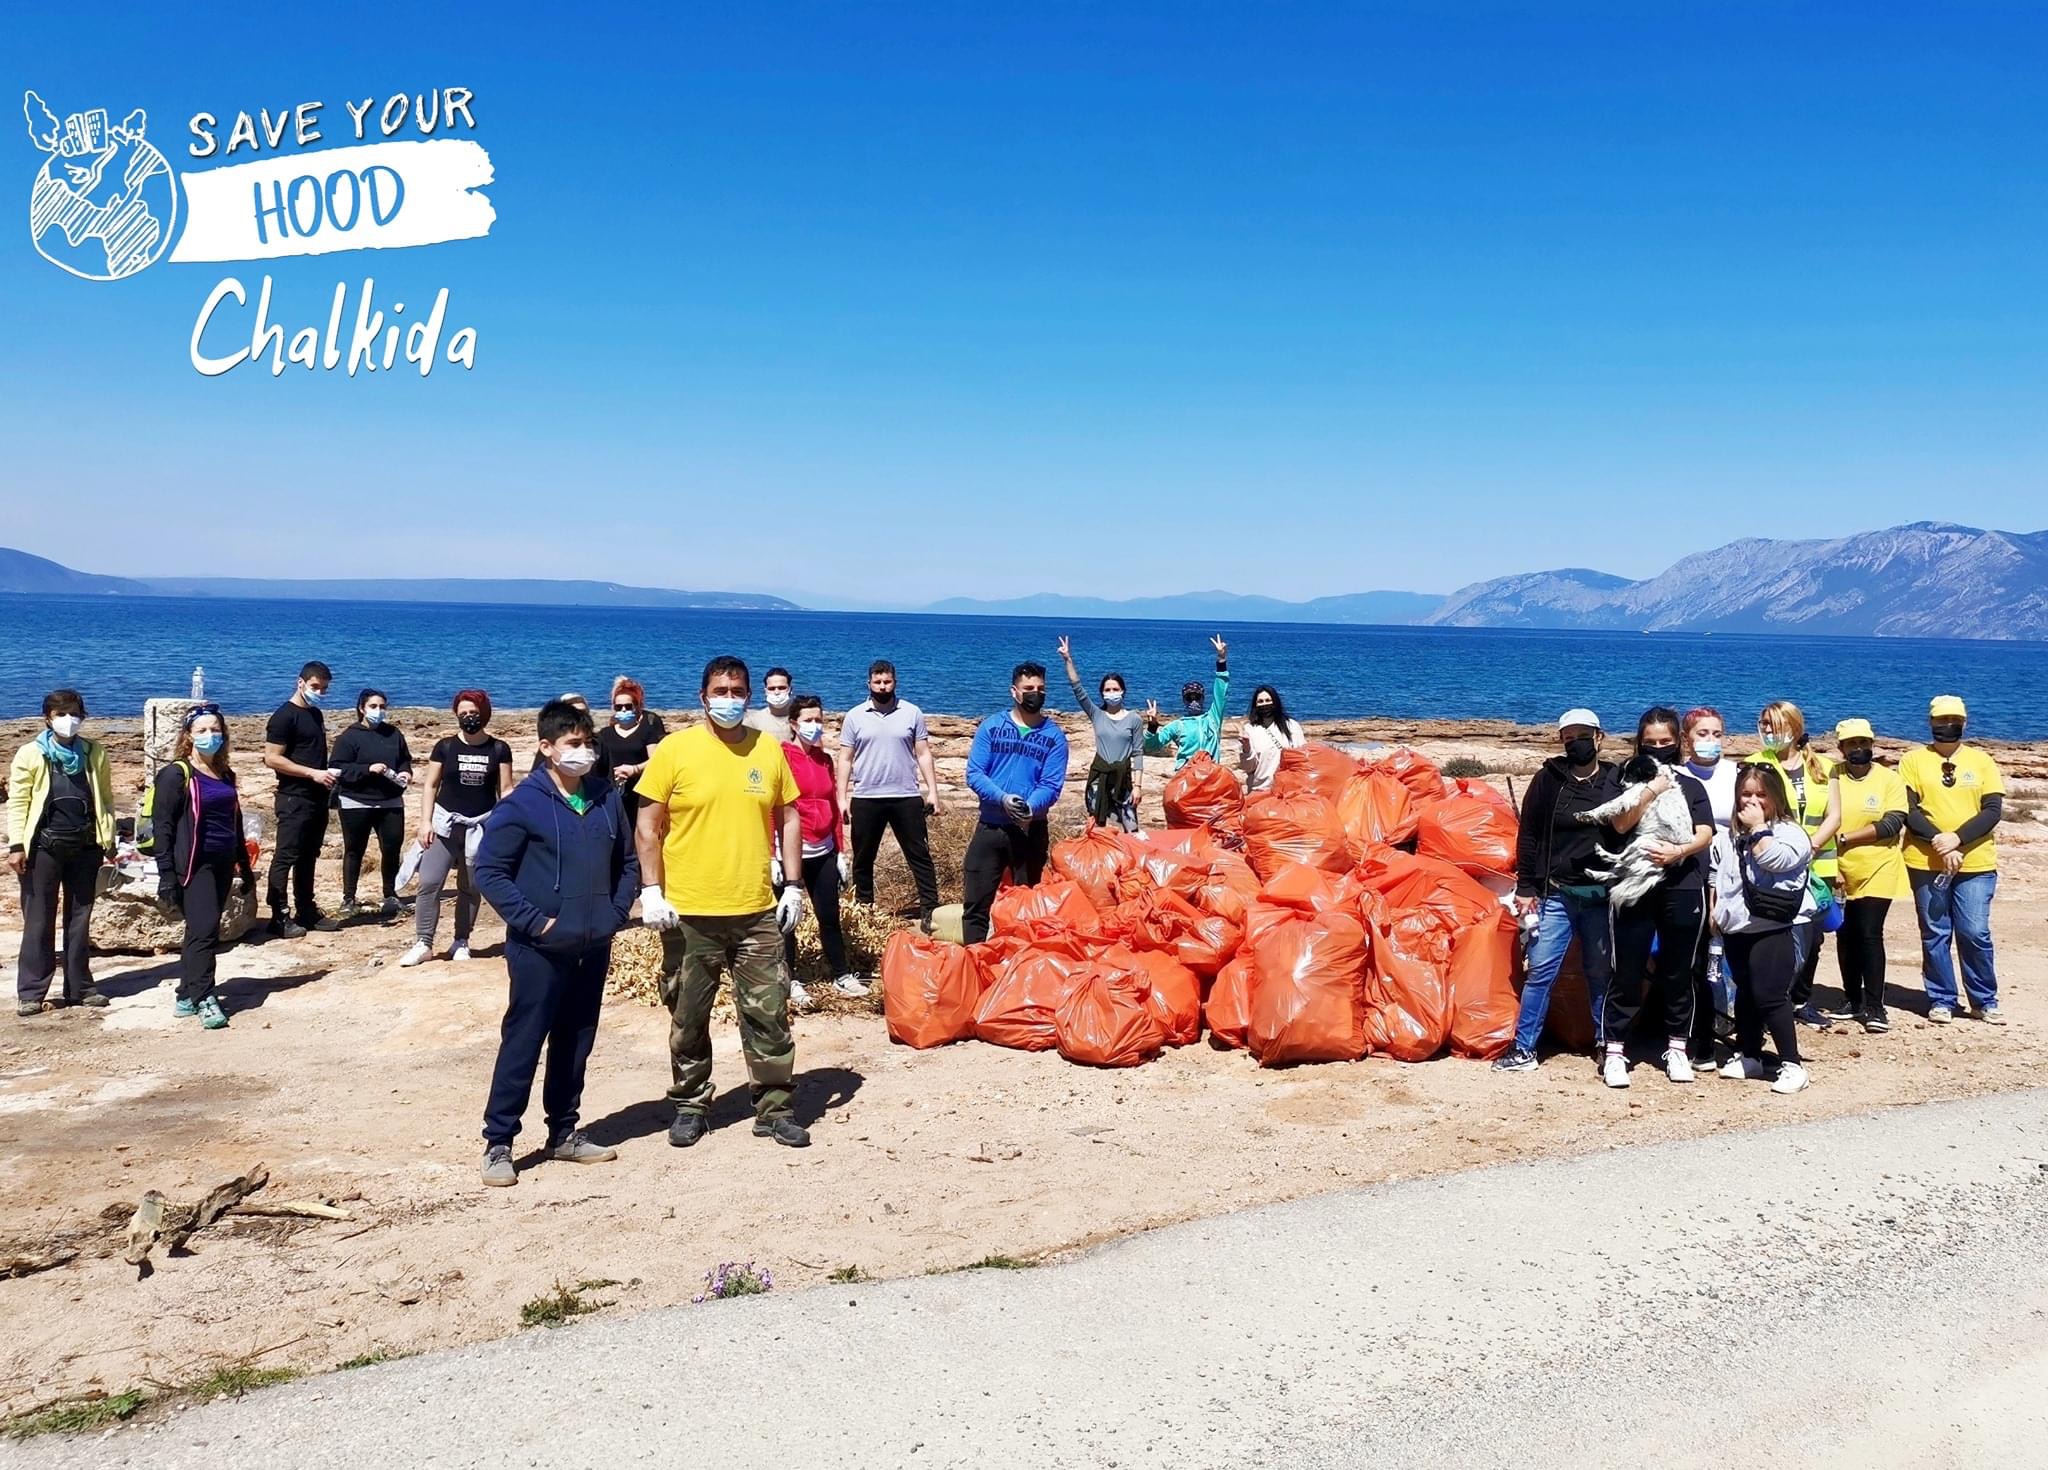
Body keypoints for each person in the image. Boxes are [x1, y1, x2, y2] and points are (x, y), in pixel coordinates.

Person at [636, 656, 810, 1149]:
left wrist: (793, 884)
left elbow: (789, 818)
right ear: (703, 696)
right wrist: (651, 890)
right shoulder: (675, 750)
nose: (728, 698)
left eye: (737, 690)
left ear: (748, 695)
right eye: (720, 689)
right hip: (689, 912)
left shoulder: (768, 750)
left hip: (755, 909)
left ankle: (774, 1108)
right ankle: (691, 1104)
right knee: (688, 1016)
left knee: (768, 1013)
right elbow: (648, 824)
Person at [472, 699, 639, 1187]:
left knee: (576, 1041)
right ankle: (499, 1142)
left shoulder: (606, 797)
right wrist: (534, 923)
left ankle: (563, 1133)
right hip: (539, 950)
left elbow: (627, 863)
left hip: (593, 943)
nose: (583, 752)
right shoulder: (522, 803)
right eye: (572, 744)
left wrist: (614, 914)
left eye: (588, 743)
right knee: (524, 1040)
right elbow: (489, 870)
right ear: (546, 748)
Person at [1493, 709, 1624, 1074]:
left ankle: (1606, 1045)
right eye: (1568, 738)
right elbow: (1530, 835)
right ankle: (1524, 1049)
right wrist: (1526, 886)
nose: (1575, 743)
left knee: (1600, 973)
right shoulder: (1549, 780)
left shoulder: (1616, 779)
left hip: (1602, 897)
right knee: (1540, 972)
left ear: (1599, 738)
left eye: (1582, 736)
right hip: (1556, 896)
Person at [1598, 708, 1715, 1087]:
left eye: (1666, 743)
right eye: (1651, 744)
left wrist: (1677, 853)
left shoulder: (1692, 783)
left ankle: (1677, 1047)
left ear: (1678, 743)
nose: (1659, 749)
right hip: (1634, 883)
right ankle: (1615, 1049)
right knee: (1627, 968)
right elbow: (1619, 823)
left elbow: (1705, 832)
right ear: (1639, 744)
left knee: (1678, 970)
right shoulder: (1622, 778)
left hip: (1682, 883)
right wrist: (1652, 788)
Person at [1710, 765, 1817, 1094]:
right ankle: (1749, 1053)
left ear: (1775, 797)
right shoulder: (1729, 834)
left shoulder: (1790, 833)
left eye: (1761, 795)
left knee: (1771, 997)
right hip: (1737, 926)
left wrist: (1758, 829)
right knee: (1745, 992)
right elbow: (1718, 874)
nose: (1753, 801)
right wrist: (1715, 913)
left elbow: (1776, 862)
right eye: (1746, 794)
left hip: (1772, 926)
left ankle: (1792, 1064)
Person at [151, 705, 258, 1031]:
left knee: (202, 930)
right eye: (202, 731)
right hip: (194, 864)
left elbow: (235, 821)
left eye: (215, 730)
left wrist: (244, 864)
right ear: (188, 737)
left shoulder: (225, 775)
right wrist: (167, 874)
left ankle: (185, 993)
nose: (210, 736)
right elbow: (163, 827)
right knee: (204, 930)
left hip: (224, 861)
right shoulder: (176, 774)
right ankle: (204, 997)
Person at [9, 689, 114, 1015]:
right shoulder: (30, 754)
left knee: (80, 919)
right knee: (39, 920)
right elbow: (19, 803)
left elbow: (105, 799)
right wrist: (16, 846)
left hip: (86, 846)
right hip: (43, 848)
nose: (69, 721)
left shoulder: (94, 753)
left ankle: (80, 987)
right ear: (48, 718)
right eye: (61, 714)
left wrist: (108, 840)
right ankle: (31, 991)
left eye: (74, 714)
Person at [1901, 695, 2004, 1025]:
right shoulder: (1913, 761)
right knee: (1935, 932)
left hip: (1975, 861)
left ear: (1964, 722)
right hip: (1926, 860)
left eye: (1953, 720)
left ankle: (1984, 999)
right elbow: (1909, 810)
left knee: (1974, 931)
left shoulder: (1982, 761)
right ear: (1930, 723)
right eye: (1941, 720)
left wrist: (1957, 839)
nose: (1947, 726)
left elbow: (1992, 810)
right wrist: (1940, 842)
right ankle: (1942, 997)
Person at [1744, 701, 1841, 1029]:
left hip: (1817, 867)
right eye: (1764, 724)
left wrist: (1809, 847)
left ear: (1794, 727)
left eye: (1775, 724)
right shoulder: (1755, 763)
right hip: (1772, 864)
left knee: (1812, 938)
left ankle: (1801, 998)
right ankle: (1769, 1002)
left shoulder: (1824, 767)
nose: (1768, 731)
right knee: (1774, 933)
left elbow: (1834, 815)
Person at [961, 662, 1071, 945]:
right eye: (1029, 689)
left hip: (1029, 831)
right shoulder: (992, 727)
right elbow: (975, 773)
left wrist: (1029, 808)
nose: (1036, 694)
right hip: (990, 827)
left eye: (1041, 689)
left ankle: (1020, 965)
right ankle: (975, 961)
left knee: (1027, 906)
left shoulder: (1054, 737)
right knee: (976, 903)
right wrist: (1002, 798)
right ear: (1014, 691)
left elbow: (1051, 784)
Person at [403, 690, 515, 968]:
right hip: (445, 824)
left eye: (473, 713)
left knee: (470, 886)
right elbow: (430, 785)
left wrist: (507, 825)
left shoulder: (499, 749)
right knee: (429, 881)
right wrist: (425, 822)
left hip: (480, 825)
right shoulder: (445, 746)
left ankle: (461, 940)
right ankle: (423, 942)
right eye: (463, 713)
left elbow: (506, 790)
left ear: (484, 713)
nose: (468, 718)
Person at [837, 660, 942, 927]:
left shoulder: (912, 712)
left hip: (905, 795)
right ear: (868, 683)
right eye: (877, 682)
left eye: (887, 682)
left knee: (919, 855)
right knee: (862, 859)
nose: (882, 687)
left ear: (895, 682)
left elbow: (923, 753)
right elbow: (846, 759)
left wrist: (933, 792)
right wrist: (841, 798)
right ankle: (865, 911)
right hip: (866, 797)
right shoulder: (855, 715)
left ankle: (930, 911)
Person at [1831, 718, 1908, 1034]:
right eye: (1852, 744)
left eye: (1864, 743)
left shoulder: (1890, 780)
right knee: (1844, 935)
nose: (1859, 748)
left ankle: (1875, 1007)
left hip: (1879, 866)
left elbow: (1892, 824)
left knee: (1869, 933)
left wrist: (1847, 838)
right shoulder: (1833, 776)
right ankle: (1852, 999)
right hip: (1838, 869)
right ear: (1842, 748)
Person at [781, 693, 861, 998]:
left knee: (829, 916)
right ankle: (790, 979)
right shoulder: (782, 756)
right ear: (793, 723)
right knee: (788, 920)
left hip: (823, 850)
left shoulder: (825, 759)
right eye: (808, 720)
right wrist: (773, 855)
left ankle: (841, 974)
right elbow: (775, 808)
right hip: (790, 852)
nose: (815, 726)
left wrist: (840, 850)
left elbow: (833, 804)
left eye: (819, 720)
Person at [261, 660, 336, 938]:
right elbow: (272, 758)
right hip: (294, 797)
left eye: (325, 688)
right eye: (316, 687)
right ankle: (279, 915)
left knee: (309, 855)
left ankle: (306, 908)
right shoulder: (284, 717)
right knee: (286, 855)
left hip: (317, 797)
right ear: (301, 682)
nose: (320, 692)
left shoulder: (315, 714)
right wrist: (311, 773)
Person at [1681, 707, 1738, 1042]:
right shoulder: (1675, 773)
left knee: (1728, 947)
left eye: (1717, 734)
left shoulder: (1735, 773)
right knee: (1696, 948)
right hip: (1689, 871)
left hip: (1729, 874)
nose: (1710, 741)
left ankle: (1727, 1013)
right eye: (1703, 734)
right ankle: (1696, 1016)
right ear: (1687, 738)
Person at [330, 689, 413, 919]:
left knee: (392, 848)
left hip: (391, 801)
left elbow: (405, 759)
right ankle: (349, 898)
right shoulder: (349, 737)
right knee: (354, 850)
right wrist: (367, 769)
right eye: (374, 706)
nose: (379, 711)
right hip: (356, 802)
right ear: (362, 708)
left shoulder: (394, 734)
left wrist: (406, 772)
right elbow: (338, 768)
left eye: (382, 707)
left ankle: (390, 894)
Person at [1057, 636, 1143, 831]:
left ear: (1123, 691)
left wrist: (1138, 786)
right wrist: (1067, 660)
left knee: (1131, 827)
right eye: (1107, 689)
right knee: (1097, 826)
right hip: (1099, 777)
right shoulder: (1097, 714)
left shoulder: (1134, 719)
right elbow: (1077, 689)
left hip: (1123, 779)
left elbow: (1138, 753)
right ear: (1102, 693)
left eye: (1115, 689)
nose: (1111, 692)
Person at [1143, 636, 1229, 770]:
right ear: (1184, 700)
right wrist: (1152, 726)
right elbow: (1150, 746)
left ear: (1203, 698)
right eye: (1189, 698)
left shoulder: (1213, 718)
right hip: (1186, 780)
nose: (1194, 701)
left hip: (1211, 779)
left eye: (1197, 697)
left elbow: (1221, 692)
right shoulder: (1178, 726)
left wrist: (1221, 659)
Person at [596, 676, 667, 821]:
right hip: (612, 794)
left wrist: (634, 769)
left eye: (628, 706)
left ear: (636, 707)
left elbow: (656, 760)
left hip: (640, 793)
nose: (623, 710)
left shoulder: (647, 731)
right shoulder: (604, 734)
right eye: (618, 707)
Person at [1237, 685, 1307, 796]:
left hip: (1289, 791)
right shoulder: (1250, 729)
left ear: (1275, 702)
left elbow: (1302, 758)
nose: (1264, 704)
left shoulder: (1292, 726)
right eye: (1260, 701)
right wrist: (1246, 749)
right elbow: (1248, 767)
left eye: (1268, 700)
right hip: (1260, 791)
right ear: (1255, 705)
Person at [531, 694, 612, 784]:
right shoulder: (551, 745)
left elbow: (607, 773)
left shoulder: (598, 741)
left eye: (584, 713)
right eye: (574, 743)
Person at [744, 667, 795, 735]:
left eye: (781, 688)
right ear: (765, 691)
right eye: (772, 688)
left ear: (790, 690)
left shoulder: (803, 719)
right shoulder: (753, 721)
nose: (776, 692)